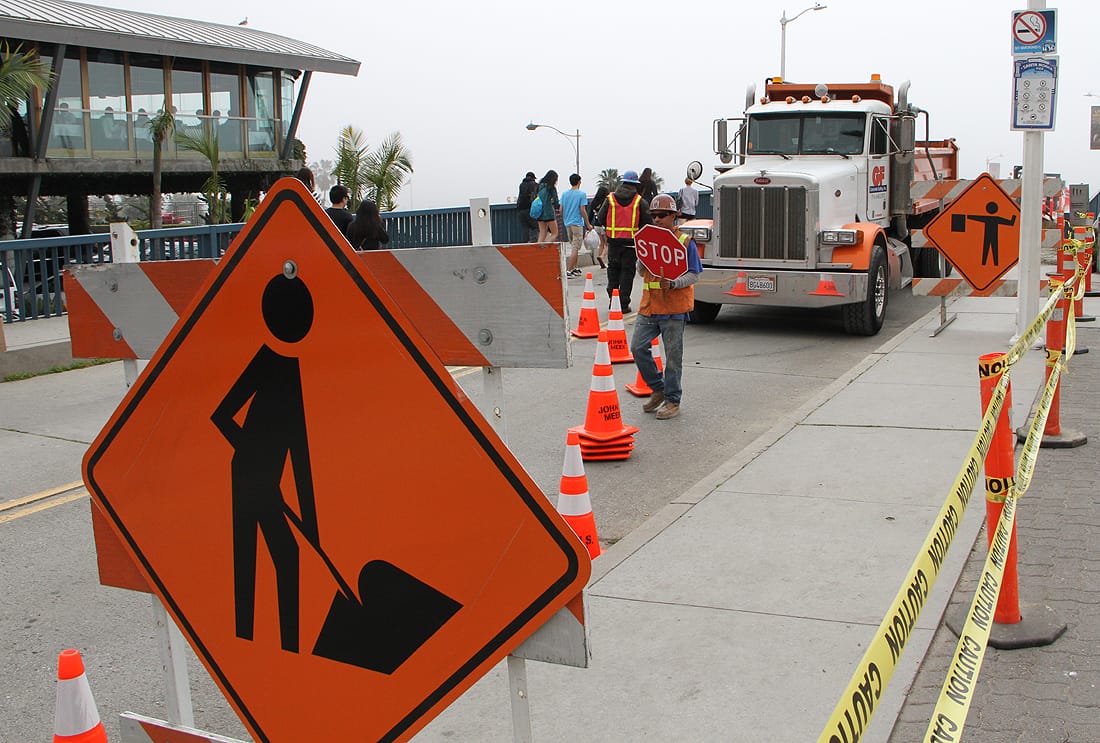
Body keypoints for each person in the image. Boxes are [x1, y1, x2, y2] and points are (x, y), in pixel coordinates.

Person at [629, 194, 702, 421]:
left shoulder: (685, 242)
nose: (657, 219)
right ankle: (658, 388)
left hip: (674, 308)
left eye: (662, 215)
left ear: (674, 216)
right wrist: (641, 257)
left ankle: (672, 400)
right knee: (638, 348)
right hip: (650, 306)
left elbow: (694, 275)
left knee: (673, 357)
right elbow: (642, 271)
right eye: (654, 215)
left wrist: (673, 283)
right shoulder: (648, 239)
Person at [596, 169, 651, 314]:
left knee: (613, 272)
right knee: (627, 273)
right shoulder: (640, 202)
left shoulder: (610, 199)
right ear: (635, 184)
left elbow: (600, 219)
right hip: (630, 246)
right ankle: (623, 304)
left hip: (613, 244)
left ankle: (612, 301)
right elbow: (648, 224)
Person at [560, 174, 593, 277]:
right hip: (577, 223)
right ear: (579, 181)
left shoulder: (564, 194)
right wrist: (588, 224)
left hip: (567, 223)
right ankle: (569, 270)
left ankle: (575, 267)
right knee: (576, 247)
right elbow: (582, 210)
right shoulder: (581, 194)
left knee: (574, 246)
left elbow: (561, 209)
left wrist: (565, 218)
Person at [535, 170, 560, 242]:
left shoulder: (540, 186)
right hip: (548, 213)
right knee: (554, 233)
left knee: (542, 233)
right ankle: (545, 248)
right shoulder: (551, 187)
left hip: (539, 213)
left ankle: (538, 249)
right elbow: (556, 201)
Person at [588, 185, 610, 269]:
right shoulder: (605, 202)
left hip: (596, 225)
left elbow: (590, 214)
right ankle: (602, 257)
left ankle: (601, 261)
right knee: (607, 244)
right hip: (604, 225)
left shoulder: (593, 202)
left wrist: (589, 225)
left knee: (601, 243)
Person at [515, 171, 539, 242]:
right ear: (533, 178)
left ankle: (525, 245)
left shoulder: (521, 185)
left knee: (525, 229)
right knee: (535, 227)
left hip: (520, 210)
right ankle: (534, 244)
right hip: (530, 209)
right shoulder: (534, 184)